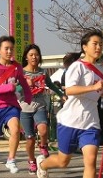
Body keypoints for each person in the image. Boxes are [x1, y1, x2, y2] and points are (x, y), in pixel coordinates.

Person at [36, 30, 103, 178]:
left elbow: (98, 92)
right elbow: (69, 90)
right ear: (84, 47)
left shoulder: (101, 69)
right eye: (94, 44)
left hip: (90, 123)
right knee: (63, 161)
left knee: (90, 161)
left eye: (101, 44)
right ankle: (42, 164)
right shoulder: (77, 67)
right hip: (70, 121)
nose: (98, 47)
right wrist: (93, 87)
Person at [0, 35, 32, 178]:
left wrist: (28, 96)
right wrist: (9, 87)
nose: (9, 51)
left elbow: (24, 83)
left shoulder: (17, 67)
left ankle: (11, 159)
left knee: (15, 131)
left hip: (11, 105)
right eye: (6, 49)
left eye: (11, 49)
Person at [19, 43, 65, 175]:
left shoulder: (43, 72)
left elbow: (51, 85)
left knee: (43, 130)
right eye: (31, 55)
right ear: (26, 57)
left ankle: (43, 146)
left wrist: (62, 95)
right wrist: (24, 85)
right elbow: (14, 89)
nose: (34, 57)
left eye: (36, 55)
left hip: (40, 104)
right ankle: (32, 161)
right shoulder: (21, 72)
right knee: (30, 139)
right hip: (25, 107)